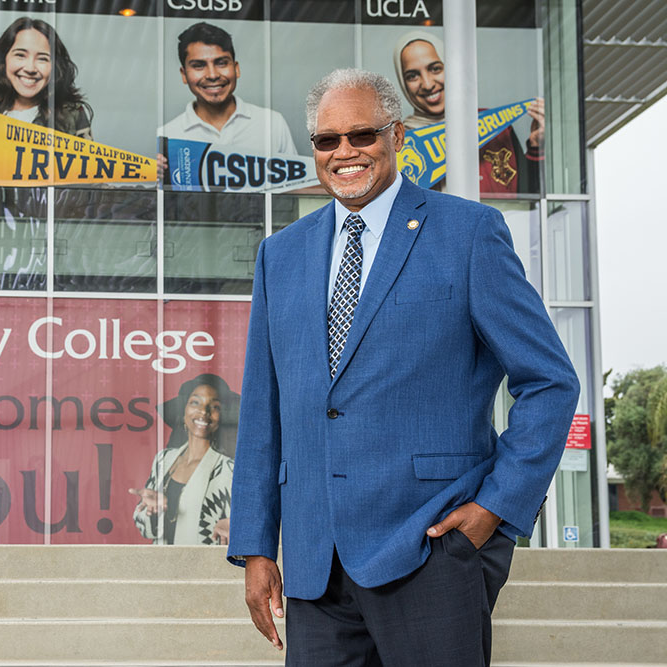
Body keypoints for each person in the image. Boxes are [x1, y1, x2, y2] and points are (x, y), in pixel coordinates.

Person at [226, 68, 579, 664]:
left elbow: (550, 380)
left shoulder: (468, 233)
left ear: (398, 136)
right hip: (316, 564)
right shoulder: (278, 255)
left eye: (362, 135)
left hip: (432, 550)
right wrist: (257, 546)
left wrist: (496, 508)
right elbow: (264, 412)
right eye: (327, 140)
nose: (345, 153)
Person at [392, 31, 544, 194]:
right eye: (412, 76)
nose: (428, 84)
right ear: (403, 82)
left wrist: (536, 147)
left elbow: (526, 196)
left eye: (435, 69)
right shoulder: (400, 141)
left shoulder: (494, 126)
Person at [129, 373, 238, 545]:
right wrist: (152, 511)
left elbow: (247, 521)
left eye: (214, 406)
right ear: (183, 412)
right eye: (195, 402)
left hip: (203, 569)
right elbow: (146, 530)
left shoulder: (229, 470)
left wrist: (236, 526)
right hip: (162, 567)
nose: (204, 411)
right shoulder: (163, 460)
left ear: (221, 417)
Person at [159, 22, 297, 156]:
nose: (212, 75)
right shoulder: (168, 135)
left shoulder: (272, 123)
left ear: (236, 69)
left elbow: (298, 180)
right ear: (184, 75)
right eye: (198, 65)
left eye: (221, 63)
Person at [0, 17, 93, 140]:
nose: (30, 68)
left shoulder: (72, 115)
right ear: (4, 60)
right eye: (20, 55)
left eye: (42, 58)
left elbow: (88, 159)